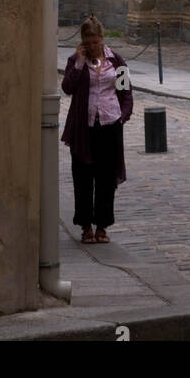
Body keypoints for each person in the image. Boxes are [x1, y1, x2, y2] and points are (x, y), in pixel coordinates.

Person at [61, 15, 134, 244]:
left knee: (106, 178)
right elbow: (68, 87)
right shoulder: (76, 60)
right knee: (83, 177)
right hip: (85, 127)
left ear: (102, 39)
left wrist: (122, 116)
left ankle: (102, 226)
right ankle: (85, 226)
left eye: (96, 41)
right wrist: (80, 62)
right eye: (88, 42)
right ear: (82, 41)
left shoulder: (117, 61)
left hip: (110, 125)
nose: (92, 46)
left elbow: (126, 92)